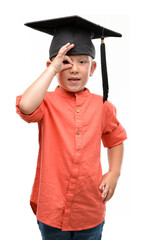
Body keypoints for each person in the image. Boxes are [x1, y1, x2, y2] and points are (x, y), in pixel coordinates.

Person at [16, 16, 127, 240]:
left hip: (89, 209)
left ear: (94, 67)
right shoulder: (45, 102)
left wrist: (114, 173)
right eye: (66, 62)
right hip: (52, 209)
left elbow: (115, 139)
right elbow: (25, 106)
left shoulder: (103, 105)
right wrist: (52, 69)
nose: (74, 69)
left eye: (82, 62)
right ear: (53, 66)